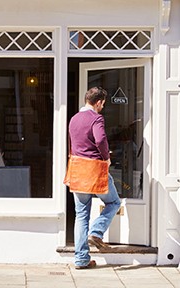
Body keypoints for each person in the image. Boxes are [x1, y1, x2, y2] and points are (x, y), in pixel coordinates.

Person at [68, 87, 121, 269]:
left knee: (81, 215)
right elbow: (100, 140)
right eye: (103, 104)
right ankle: (97, 231)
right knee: (114, 202)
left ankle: (81, 259)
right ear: (98, 102)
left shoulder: (74, 119)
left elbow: (74, 144)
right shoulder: (96, 118)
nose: (102, 108)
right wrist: (106, 158)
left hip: (77, 169)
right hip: (95, 170)